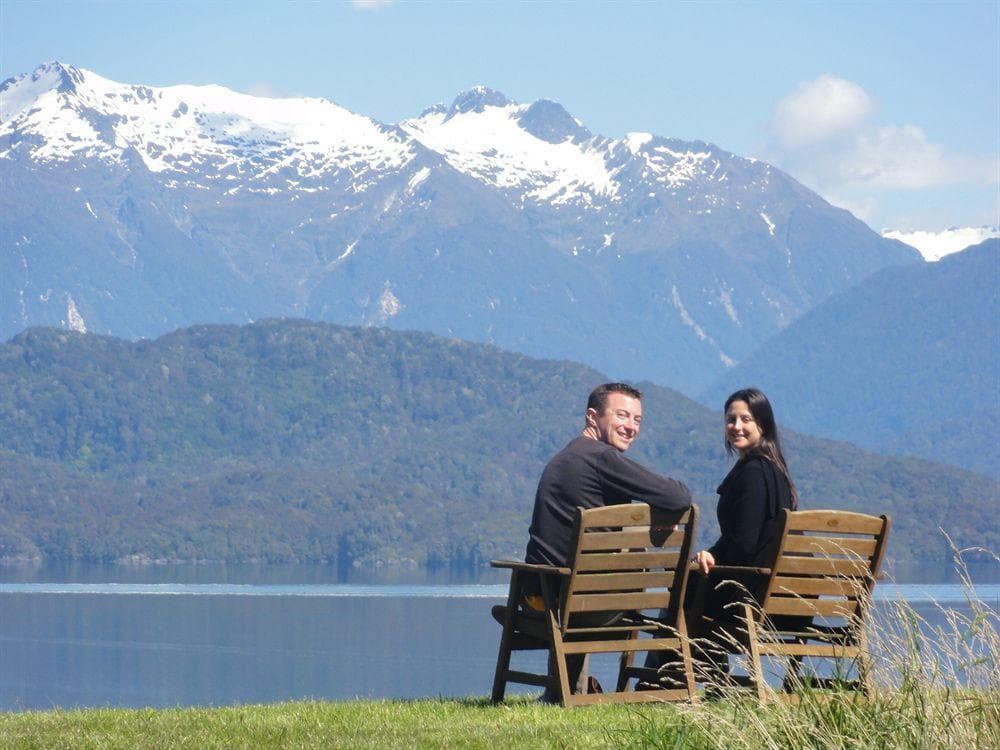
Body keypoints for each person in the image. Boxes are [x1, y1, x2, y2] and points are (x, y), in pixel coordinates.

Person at [514, 382, 692, 700]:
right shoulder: (601, 459)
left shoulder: (569, 458)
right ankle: (577, 691)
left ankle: (566, 693)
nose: (631, 426)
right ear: (592, 417)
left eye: (637, 419)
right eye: (622, 415)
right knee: (583, 584)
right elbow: (677, 495)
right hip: (590, 604)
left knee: (573, 582)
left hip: (549, 600)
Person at [689, 387, 799, 680]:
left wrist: (710, 556)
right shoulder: (777, 472)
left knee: (686, 589)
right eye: (730, 419)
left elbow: (744, 542)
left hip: (751, 600)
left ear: (762, 424)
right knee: (692, 585)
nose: (736, 426)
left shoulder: (753, 473)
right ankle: (710, 683)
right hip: (785, 602)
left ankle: (667, 683)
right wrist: (712, 553)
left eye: (745, 419)